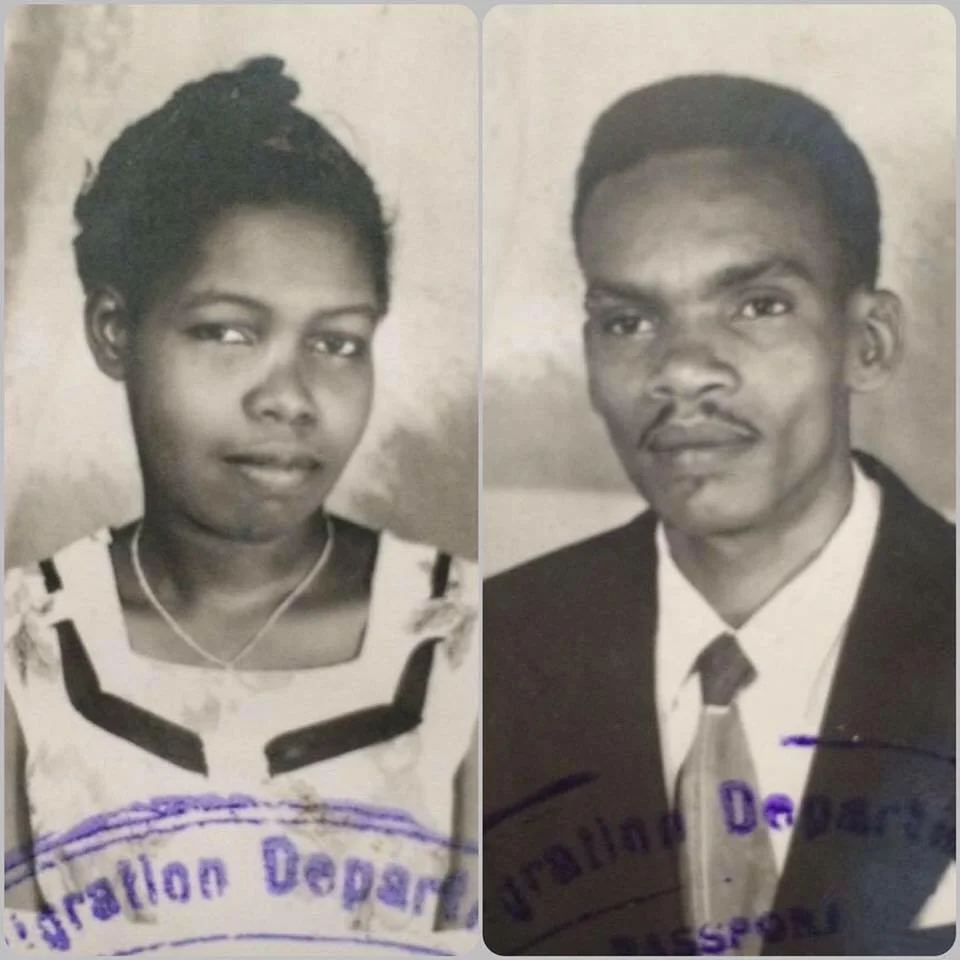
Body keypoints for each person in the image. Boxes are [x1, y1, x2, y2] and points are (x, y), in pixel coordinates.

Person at [4, 57, 477, 951]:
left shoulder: (468, 641)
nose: (289, 397)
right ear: (114, 331)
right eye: (227, 332)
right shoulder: (21, 649)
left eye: (337, 343)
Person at [484, 75, 954, 956]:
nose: (684, 370)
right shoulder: (491, 653)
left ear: (868, 342)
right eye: (628, 320)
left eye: (758, 306)